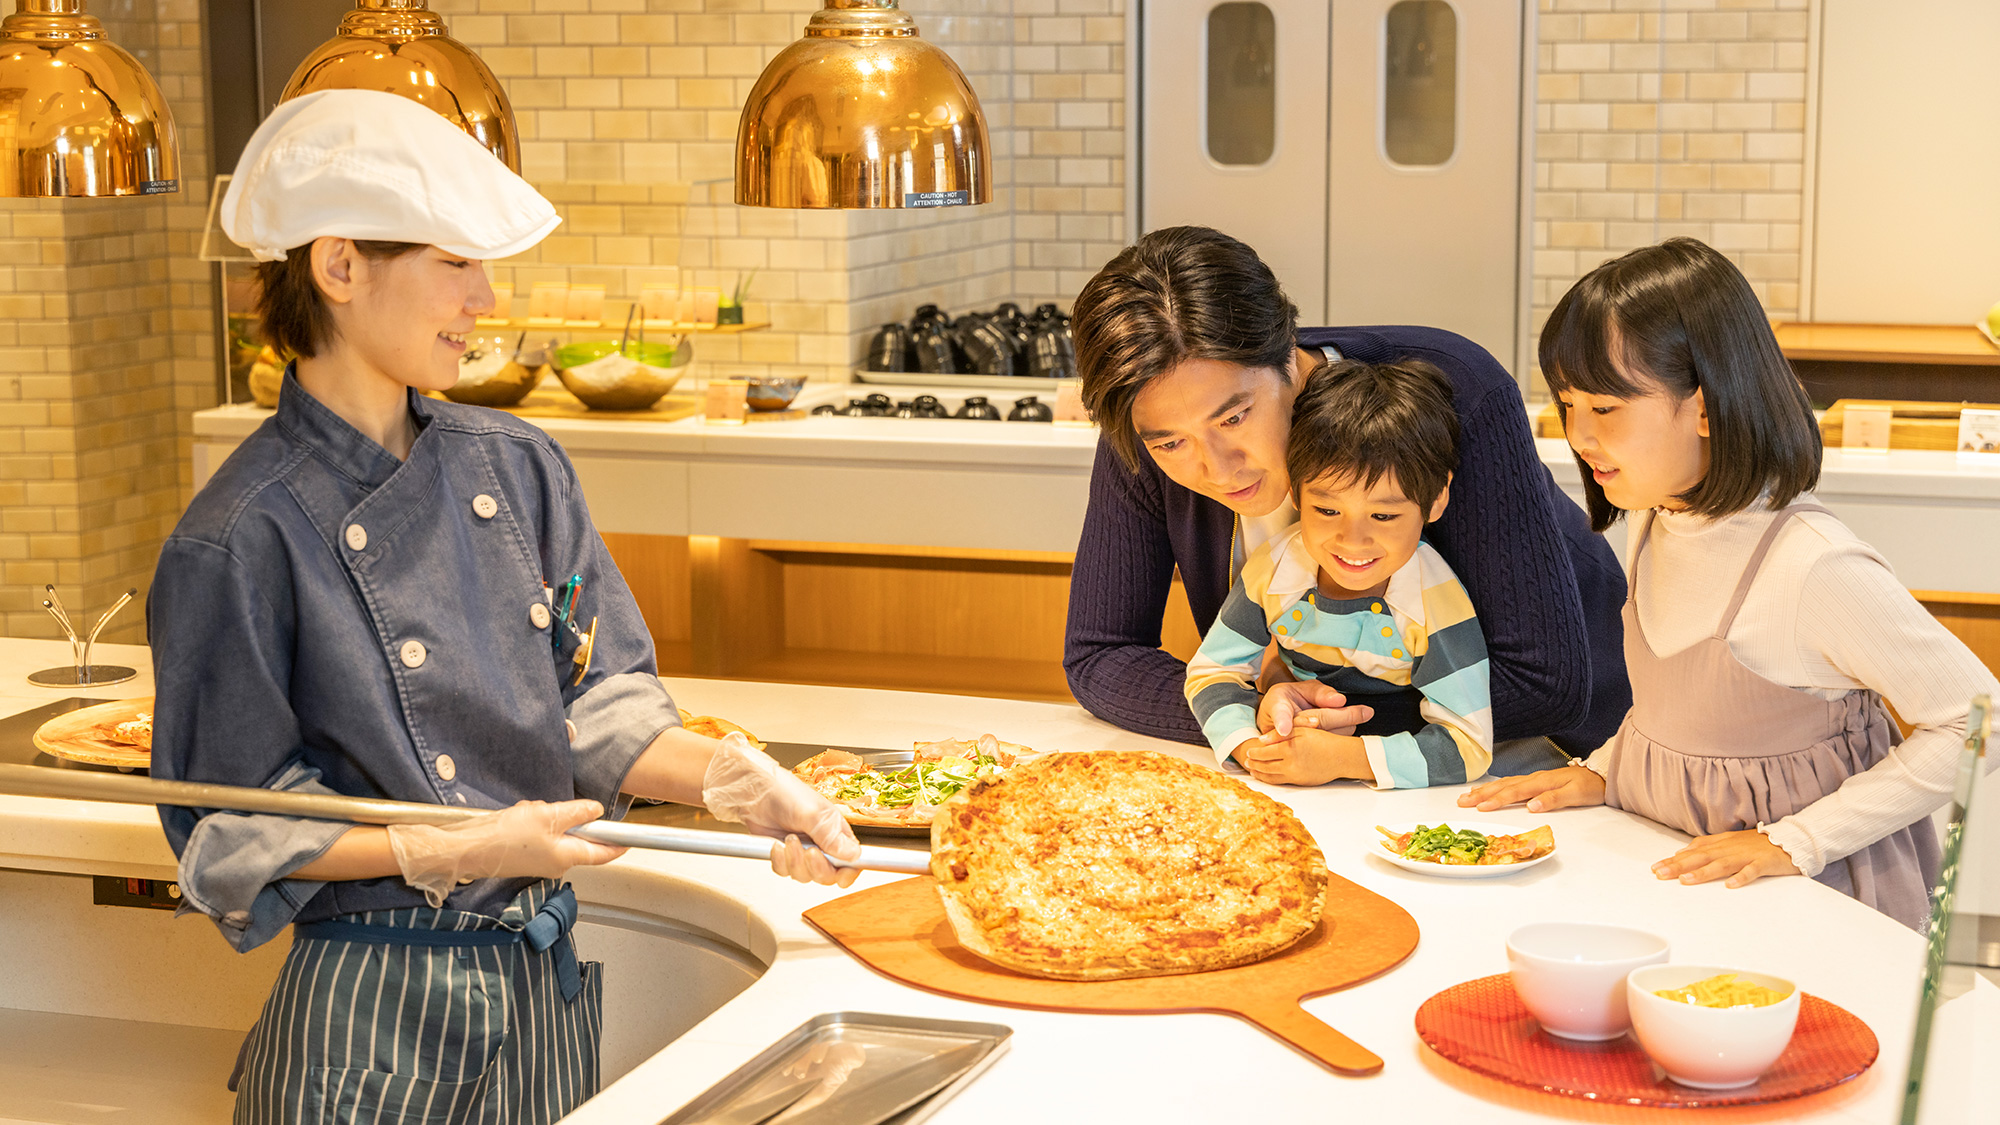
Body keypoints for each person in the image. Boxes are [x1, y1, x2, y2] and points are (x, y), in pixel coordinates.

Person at [147, 90, 861, 1124]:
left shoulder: (519, 465)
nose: (484, 298)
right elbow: (230, 827)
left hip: (540, 992)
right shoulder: (238, 534)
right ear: (338, 266)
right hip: (368, 1022)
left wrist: (736, 782)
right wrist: (446, 848)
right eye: (454, 263)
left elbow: (593, 702)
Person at [1460, 237, 1999, 931]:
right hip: (1686, 882)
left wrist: (1797, 840)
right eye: (1568, 405)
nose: (1578, 435)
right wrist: (1607, 768)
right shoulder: (1656, 520)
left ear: (1708, 407)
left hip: (1814, 909)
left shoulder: (1813, 565)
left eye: (1606, 408)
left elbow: (1977, 721)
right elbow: (1684, 717)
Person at [1067, 226, 1629, 773]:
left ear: (1289, 357)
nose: (1217, 468)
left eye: (1234, 418)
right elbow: (1101, 656)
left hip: (1566, 750)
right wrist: (1251, 712)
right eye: (1170, 444)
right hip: (1343, 770)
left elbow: (1542, 685)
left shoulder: (1455, 387)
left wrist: (1328, 729)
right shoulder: (1143, 414)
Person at [1185, 358, 1492, 787]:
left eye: (1383, 516)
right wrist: (1252, 747)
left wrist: (1344, 759)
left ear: (1436, 500)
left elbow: (1470, 745)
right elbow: (1211, 671)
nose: (1352, 541)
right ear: (1295, 493)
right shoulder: (1274, 568)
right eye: (1327, 510)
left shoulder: (1433, 599)